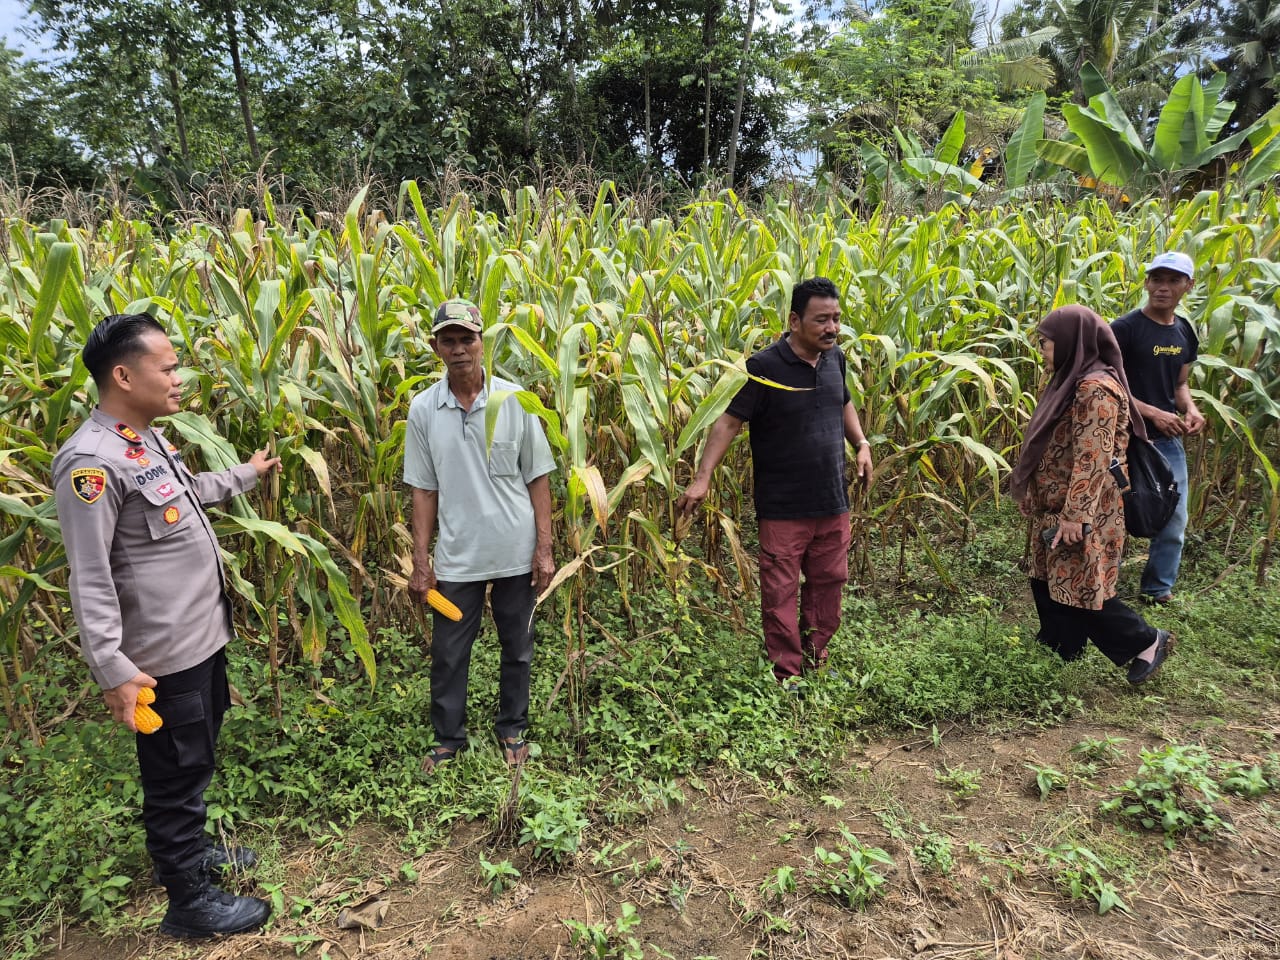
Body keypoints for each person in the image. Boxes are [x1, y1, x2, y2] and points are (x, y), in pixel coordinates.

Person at [52, 313, 279, 938]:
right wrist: (112, 669)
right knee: (175, 774)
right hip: (159, 658)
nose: (180, 378)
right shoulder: (90, 463)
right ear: (123, 375)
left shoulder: (142, 439)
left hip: (198, 639)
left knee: (194, 758)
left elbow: (185, 494)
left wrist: (246, 476)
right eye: (169, 367)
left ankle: (193, 855)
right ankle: (190, 904)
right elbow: (89, 575)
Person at [676, 277, 874, 684]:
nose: (832, 328)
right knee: (781, 593)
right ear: (795, 320)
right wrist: (702, 478)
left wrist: (861, 442)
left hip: (832, 500)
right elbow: (729, 423)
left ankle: (816, 660)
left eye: (836, 319)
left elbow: (844, 403)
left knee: (829, 583)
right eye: (822, 320)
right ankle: (786, 674)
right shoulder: (764, 367)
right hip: (783, 507)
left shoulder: (835, 358)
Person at [404, 298, 557, 773]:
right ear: (435, 348)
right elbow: (423, 492)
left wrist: (545, 549)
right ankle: (449, 737)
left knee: (518, 646)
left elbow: (538, 478)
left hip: (515, 550)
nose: (458, 350)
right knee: (448, 653)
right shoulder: (425, 409)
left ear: (481, 341)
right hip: (457, 558)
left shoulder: (514, 400)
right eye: (447, 341)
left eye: (466, 339)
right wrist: (421, 560)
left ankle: (512, 727)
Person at [1011, 306, 1174, 684]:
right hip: (1054, 503)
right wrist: (1031, 491)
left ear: (1072, 341)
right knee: (1048, 578)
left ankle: (1147, 641)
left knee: (1080, 585)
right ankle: (1059, 649)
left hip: (1086, 507)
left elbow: (1093, 458)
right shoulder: (1068, 381)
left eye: (1046, 344)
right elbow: (1047, 445)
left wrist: (1076, 515)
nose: (1042, 351)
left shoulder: (1095, 389)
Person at [1110, 251, 1206, 604]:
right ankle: (1101, 588)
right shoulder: (1124, 329)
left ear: (1188, 286)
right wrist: (1152, 413)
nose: (1162, 287)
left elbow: (1180, 385)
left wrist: (1191, 409)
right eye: (1156, 279)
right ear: (1147, 282)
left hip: (1164, 441)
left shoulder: (1184, 332)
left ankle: (1157, 589)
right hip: (1121, 437)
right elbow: (1107, 386)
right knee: (1111, 514)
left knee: (1173, 517)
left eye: (1173, 280)